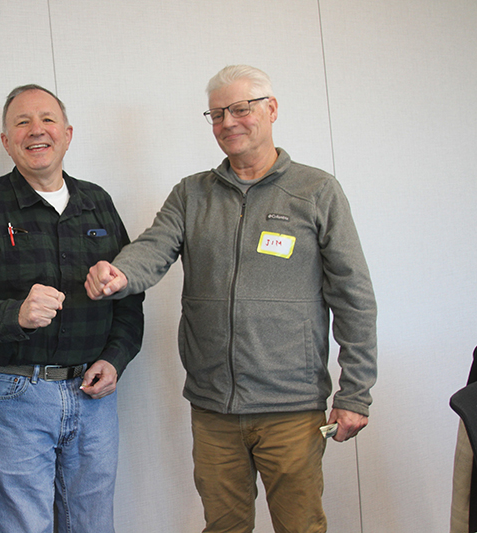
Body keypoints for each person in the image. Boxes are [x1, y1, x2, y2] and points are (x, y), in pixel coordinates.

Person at [85, 65, 378, 533]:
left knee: (300, 527)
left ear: (272, 109)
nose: (228, 122)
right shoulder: (192, 194)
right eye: (218, 113)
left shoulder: (316, 190)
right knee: (223, 528)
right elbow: (154, 247)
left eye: (241, 109)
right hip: (214, 408)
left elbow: (354, 297)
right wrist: (120, 272)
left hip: (292, 408)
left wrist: (356, 394)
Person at [0, 84, 144, 533]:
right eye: (21, 122)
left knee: (93, 524)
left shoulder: (97, 201)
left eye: (46, 120)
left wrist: (115, 360)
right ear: (6, 141)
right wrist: (17, 315)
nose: (36, 130)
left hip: (93, 394)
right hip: (14, 394)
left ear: (68, 133)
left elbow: (130, 296)